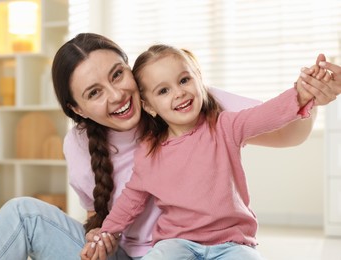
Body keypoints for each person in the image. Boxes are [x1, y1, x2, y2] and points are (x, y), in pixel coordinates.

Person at [0, 33, 340, 260]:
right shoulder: (79, 144)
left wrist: (309, 97)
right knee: (22, 213)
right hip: (147, 254)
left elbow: (283, 129)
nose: (116, 95)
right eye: (94, 93)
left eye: (117, 74)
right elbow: (115, 213)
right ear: (77, 110)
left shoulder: (193, 103)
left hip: (210, 247)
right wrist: (102, 240)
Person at [95, 44, 328, 259]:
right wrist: (107, 232)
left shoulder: (225, 126)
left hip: (233, 243)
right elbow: (131, 199)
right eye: (163, 90)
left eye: (184, 80)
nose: (179, 93)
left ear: (199, 79)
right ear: (148, 106)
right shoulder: (148, 152)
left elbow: (266, 114)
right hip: (176, 242)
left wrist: (302, 93)